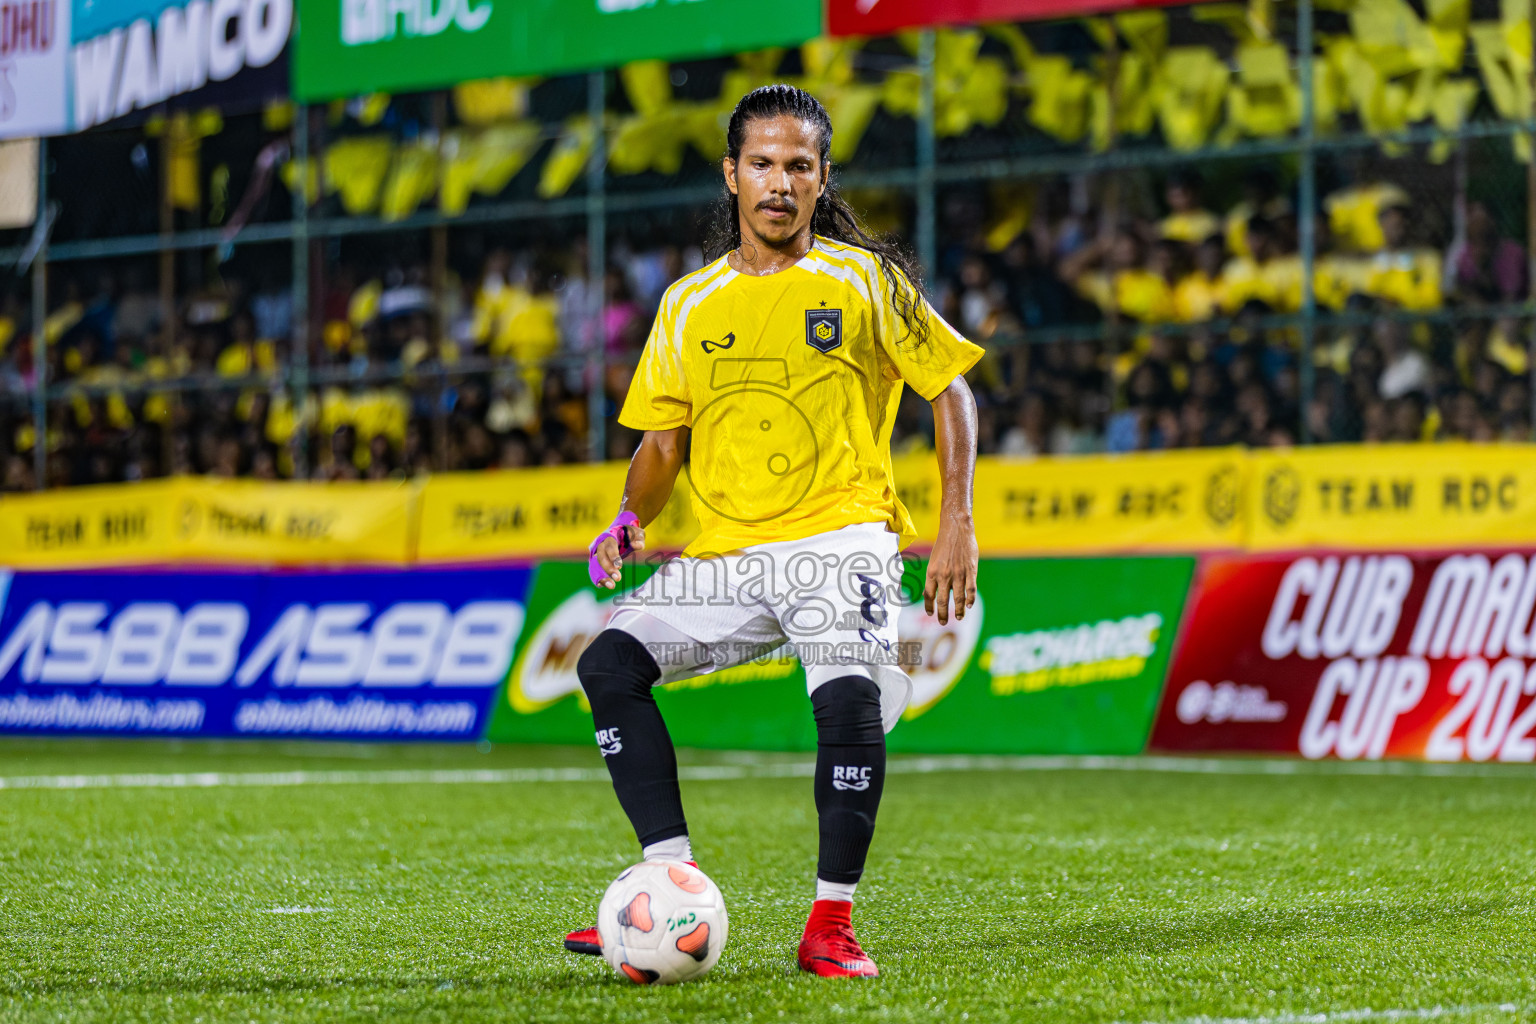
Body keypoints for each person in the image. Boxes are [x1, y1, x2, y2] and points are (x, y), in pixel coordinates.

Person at [562, 84, 982, 979]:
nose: (779, 183)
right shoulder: (687, 304)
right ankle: (665, 884)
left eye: (798, 166)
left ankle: (831, 923)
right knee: (608, 664)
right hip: (726, 560)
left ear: (823, 178)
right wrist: (632, 518)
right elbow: (661, 442)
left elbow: (951, 390)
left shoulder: (867, 282)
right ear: (732, 176)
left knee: (846, 705)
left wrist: (956, 523)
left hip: (843, 541)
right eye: (762, 164)